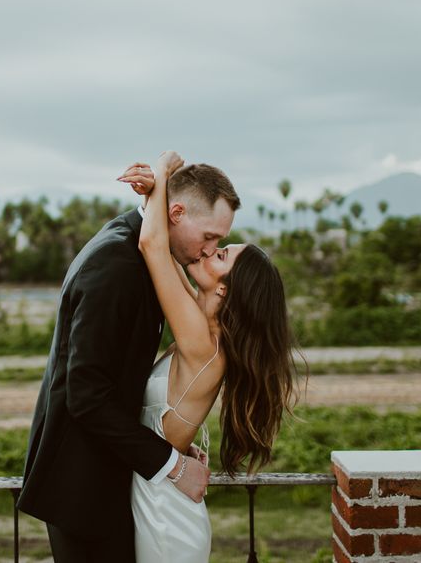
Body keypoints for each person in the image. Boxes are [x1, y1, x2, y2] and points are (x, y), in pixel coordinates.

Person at [17, 151, 242, 562]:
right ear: (177, 212)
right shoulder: (117, 263)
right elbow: (85, 394)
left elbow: (119, 380)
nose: (210, 249)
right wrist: (171, 463)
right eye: (209, 236)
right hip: (83, 486)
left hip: (112, 477)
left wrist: (168, 438)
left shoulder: (138, 251)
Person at [121, 151, 299, 562]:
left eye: (220, 255)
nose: (206, 252)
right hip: (159, 499)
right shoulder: (200, 326)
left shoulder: (203, 343)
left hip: (164, 519)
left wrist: (165, 169)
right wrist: (156, 197)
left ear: (225, 290)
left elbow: (151, 243)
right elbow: (164, 251)